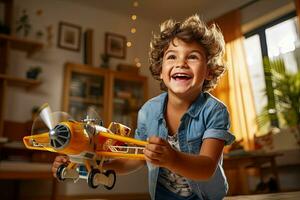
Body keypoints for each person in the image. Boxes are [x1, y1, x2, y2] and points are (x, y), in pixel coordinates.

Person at [52, 14, 235, 200]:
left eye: (193, 57)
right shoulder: (149, 111)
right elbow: (133, 160)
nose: (181, 63)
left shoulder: (215, 111)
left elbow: (207, 168)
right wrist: (86, 164)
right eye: (172, 57)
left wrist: (172, 159)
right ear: (160, 70)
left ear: (209, 71)